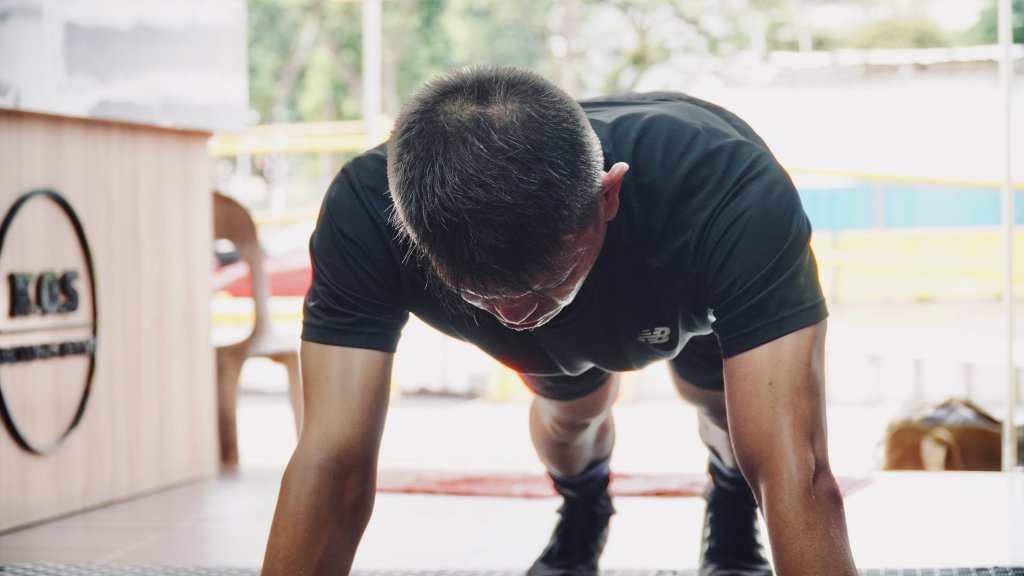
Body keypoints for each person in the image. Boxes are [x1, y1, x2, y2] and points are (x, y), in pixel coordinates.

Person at [261, 65, 858, 576]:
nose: (517, 316)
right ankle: (584, 509)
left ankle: (728, 501)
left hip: (685, 279)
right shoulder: (366, 210)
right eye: (481, 294)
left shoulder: (727, 189)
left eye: (542, 285)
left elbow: (799, 472)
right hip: (580, 326)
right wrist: (522, 294)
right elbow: (333, 463)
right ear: (408, 232)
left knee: (723, 406)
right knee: (573, 418)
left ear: (608, 195)